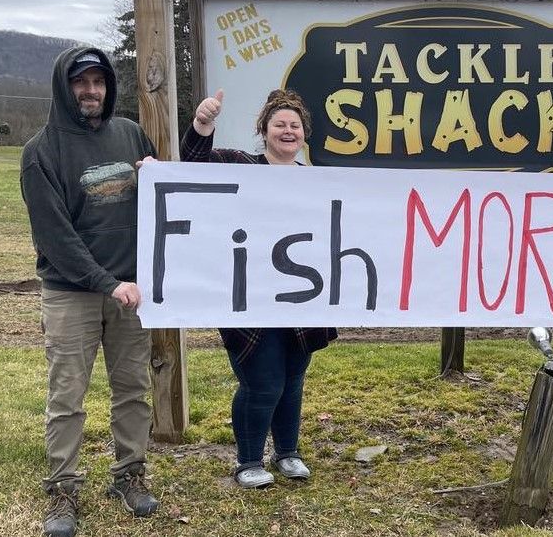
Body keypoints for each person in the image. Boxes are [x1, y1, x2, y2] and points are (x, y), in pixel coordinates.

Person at [20, 47, 160, 537]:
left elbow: (161, 201)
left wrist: (153, 178)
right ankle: (62, 490)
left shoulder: (129, 134)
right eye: (82, 83)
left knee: (134, 390)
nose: (91, 91)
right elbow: (55, 238)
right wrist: (107, 282)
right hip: (72, 293)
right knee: (67, 396)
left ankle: (129, 475)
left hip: (131, 293)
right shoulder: (41, 151)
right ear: (65, 86)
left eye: (99, 82)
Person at [182, 88, 337, 488]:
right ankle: (248, 460)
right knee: (263, 382)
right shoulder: (240, 165)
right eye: (279, 124)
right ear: (264, 130)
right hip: (249, 300)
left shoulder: (319, 180)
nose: (288, 131)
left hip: (303, 300)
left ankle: (287, 452)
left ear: (304, 134)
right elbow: (194, 163)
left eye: (295, 126)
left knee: (292, 380)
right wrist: (203, 122)